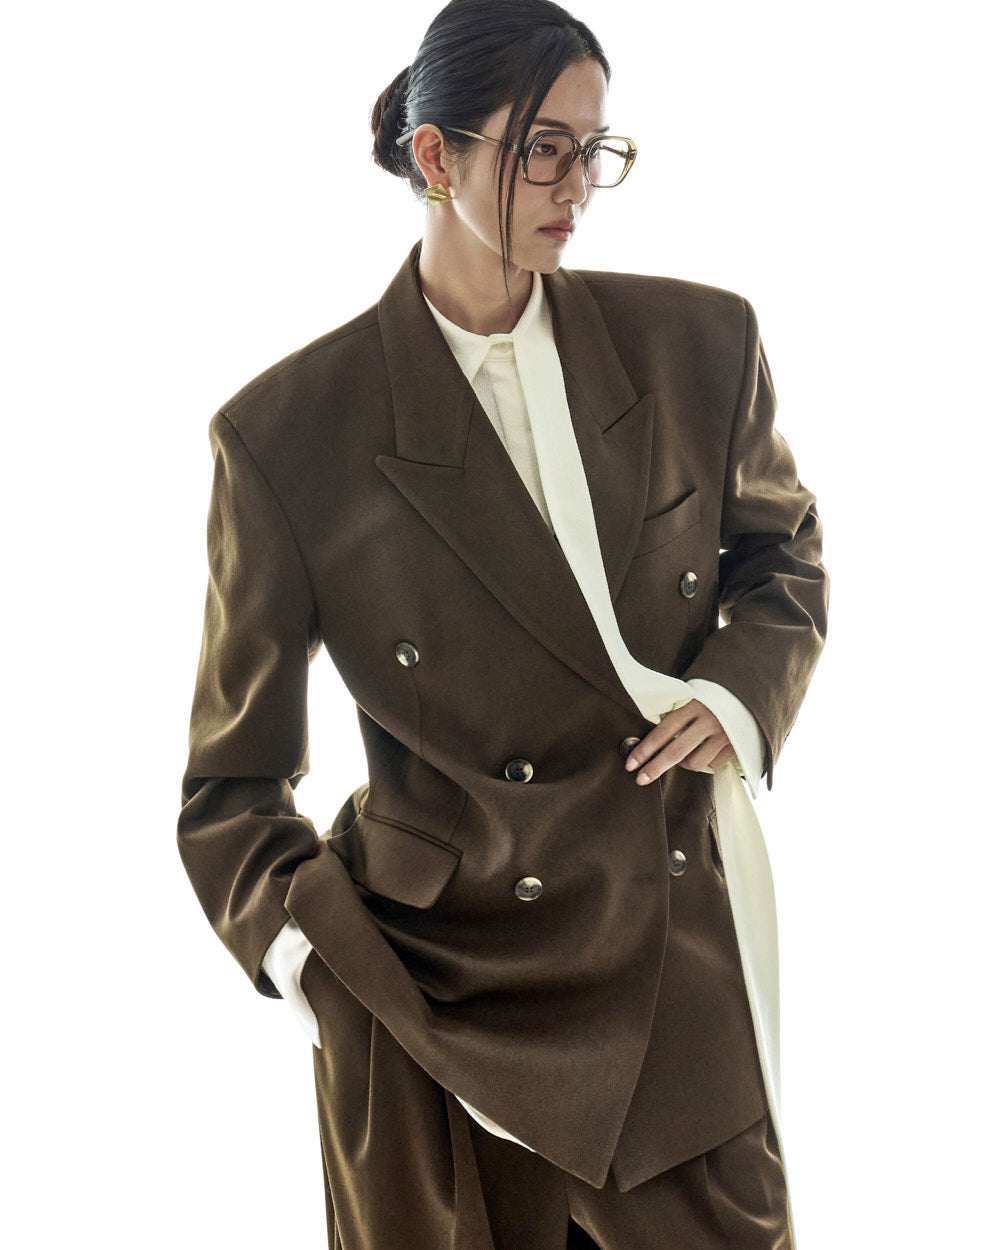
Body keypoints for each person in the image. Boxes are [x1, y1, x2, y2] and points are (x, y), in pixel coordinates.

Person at [177, 1, 828, 1246]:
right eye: (542, 149)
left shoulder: (699, 345)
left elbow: (781, 550)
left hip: (669, 965)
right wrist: (323, 973)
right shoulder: (286, 435)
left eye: (597, 149)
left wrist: (734, 693)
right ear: (435, 157)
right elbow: (229, 789)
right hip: (431, 1002)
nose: (577, 186)